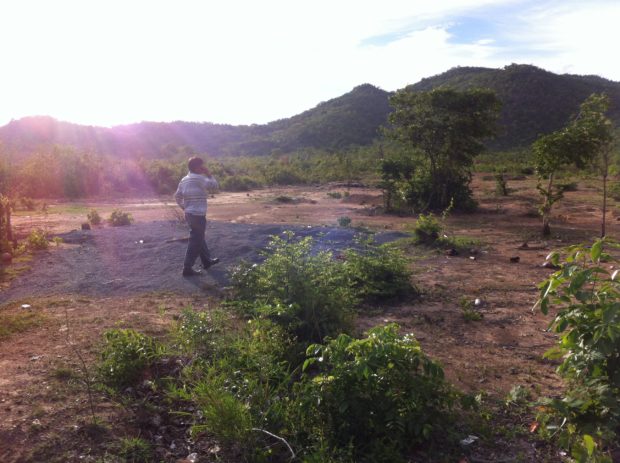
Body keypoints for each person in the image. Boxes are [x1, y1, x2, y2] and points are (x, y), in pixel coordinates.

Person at [174, 156, 220, 277]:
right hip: (198, 214)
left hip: (189, 214)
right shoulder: (199, 178)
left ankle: (207, 261)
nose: (203, 167)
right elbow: (215, 186)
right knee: (196, 240)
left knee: (199, 237)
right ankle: (187, 268)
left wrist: (185, 207)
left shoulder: (184, 179)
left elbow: (177, 196)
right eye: (201, 165)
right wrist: (209, 174)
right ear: (195, 167)